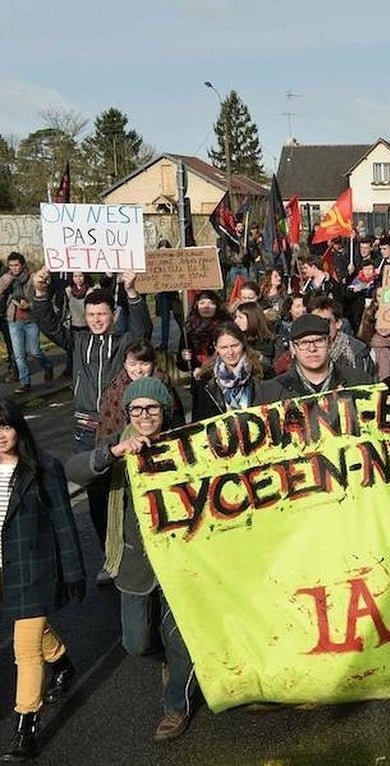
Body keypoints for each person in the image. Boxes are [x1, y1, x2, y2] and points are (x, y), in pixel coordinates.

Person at [66, 378, 199, 741]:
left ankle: (176, 707)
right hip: (135, 561)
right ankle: (170, 661)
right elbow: (75, 470)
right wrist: (113, 453)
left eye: (152, 408)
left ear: (164, 411)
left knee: (179, 638)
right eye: (136, 409)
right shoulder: (117, 443)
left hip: (179, 560)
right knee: (136, 641)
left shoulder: (186, 441)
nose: (144, 415)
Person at [30, 268, 151, 584]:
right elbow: (48, 324)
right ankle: (109, 557)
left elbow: (143, 331)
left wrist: (133, 291)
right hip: (86, 432)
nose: (97, 319)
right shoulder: (78, 340)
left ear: (113, 314)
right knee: (97, 496)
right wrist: (41, 293)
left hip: (120, 427)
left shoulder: (124, 342)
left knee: (130, 492)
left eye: (103, 313)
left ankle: (141, 552)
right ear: (85, 315)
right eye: (92, 314)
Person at [0, 399, 86, 761]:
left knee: (24, 648)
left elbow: (65, 526)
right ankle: (62, 661)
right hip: (3, 568)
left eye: (5, 426)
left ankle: (26, 725)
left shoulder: (44, 467)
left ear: (18, 427)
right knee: (28, 628)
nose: (0, 436)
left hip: (34, 566)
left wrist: (73, 572)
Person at [257, 314, 373, 402]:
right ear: (293, 348)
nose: (312, 349)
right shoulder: (270, 392)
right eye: (304, 343)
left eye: (318, 341)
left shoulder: (360, 382)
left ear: (329, 343)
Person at [95, 340, 185, 440]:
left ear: (153, 363)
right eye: (132, 364)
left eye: (144, 364)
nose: (138, 370)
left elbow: (177, 420)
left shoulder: (162, 387)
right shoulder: (115, 390)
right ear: (125, 365)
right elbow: (106, 426)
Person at [0, 253, 53, 393]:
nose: (14, 268)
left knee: (34, 351)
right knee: (19, 354)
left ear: (22, 264)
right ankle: (25, 382)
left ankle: (47, 365)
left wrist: (28, 305)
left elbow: (41, 297)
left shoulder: (31, 277)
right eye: (11, 266)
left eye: (16, 265)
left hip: (31, 319)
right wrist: (6, 281)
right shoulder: (7, 278)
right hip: (13, 320)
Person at [191, 323, 265, 421]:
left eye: (234, 346)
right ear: (216, 347)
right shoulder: (205, 380)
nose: (230, 352)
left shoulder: (261, 373)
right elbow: (199, 422)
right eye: (224, 348)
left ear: (242, 343)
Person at [178, 291, 228, 373]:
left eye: (211, 303)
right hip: (198, 378)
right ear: (196, 306)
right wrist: (184, 359)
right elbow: (183, 366)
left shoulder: (225, 328)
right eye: (202, 303)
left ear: (217, 306)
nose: (206, 307)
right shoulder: (189, 329)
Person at [232, 301, 276, 374]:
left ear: (252, 319)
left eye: (240, 317)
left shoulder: (266, 343)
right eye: (236, 317)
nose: (236, 321)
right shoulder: (237, 339)